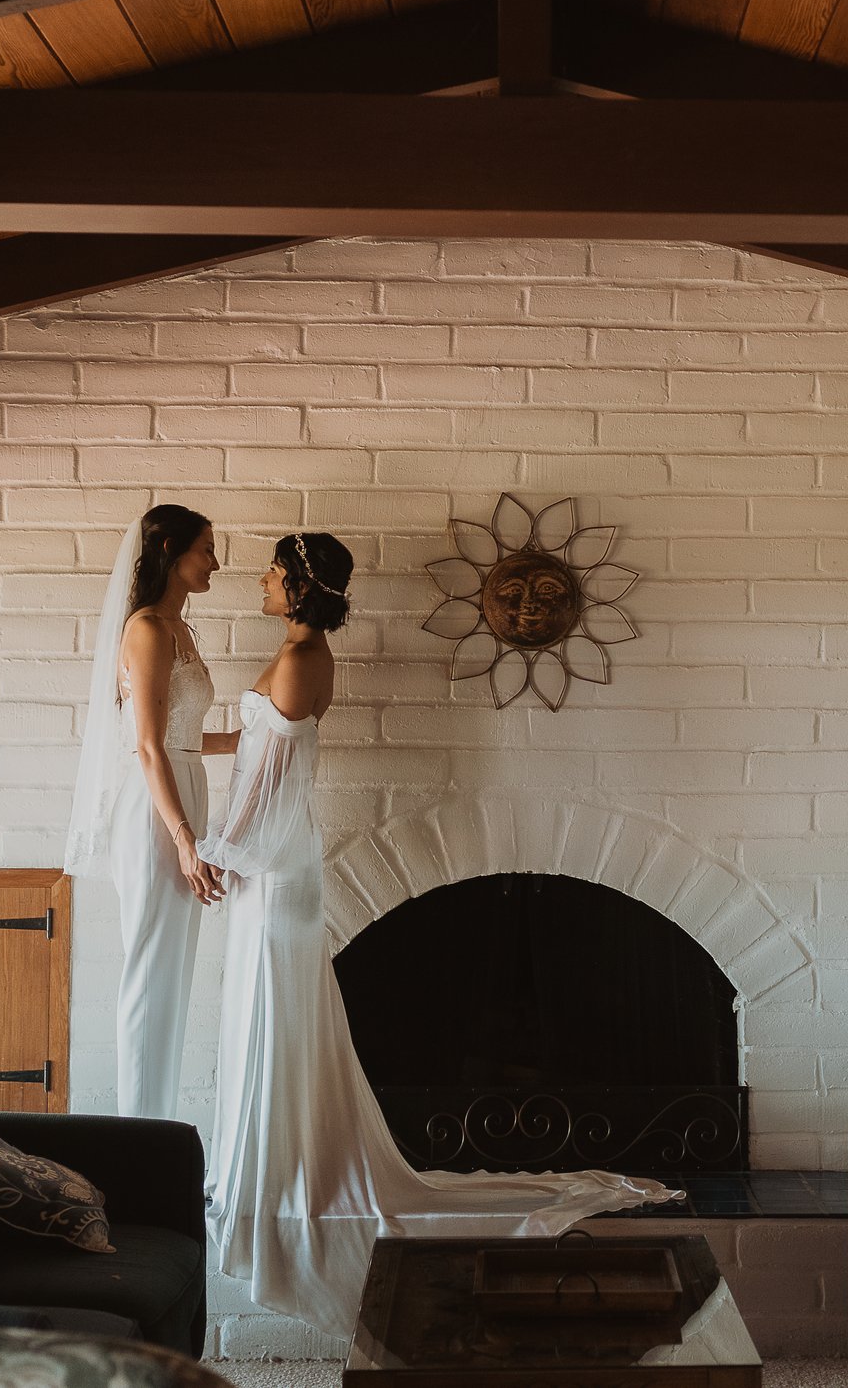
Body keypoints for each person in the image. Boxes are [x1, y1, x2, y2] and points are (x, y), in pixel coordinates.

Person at [199, 531, 680, 1336]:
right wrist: (177, 746)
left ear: (297, 583)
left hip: (272, 872)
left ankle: (275, 1182)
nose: (260, 578)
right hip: (279, 868)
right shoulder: (303, 652)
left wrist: (212, 851)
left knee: (274, 1019)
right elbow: (254, 750)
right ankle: (271, 1171)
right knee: (275, 1022)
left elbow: (265, 790)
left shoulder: (296, 660)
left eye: (272, 571)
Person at [63, 504, 238, 1119]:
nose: (216, 561)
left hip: (184, 789)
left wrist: (252, 739)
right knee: (148, 968)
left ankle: (159, 1127)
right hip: (155, 810)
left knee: (173, 973)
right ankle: (138, 1134)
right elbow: (146, 745)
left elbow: (183, 735)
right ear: (170, 550)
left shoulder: (181, 629)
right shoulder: (146, 629)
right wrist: (186, 838)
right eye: (207, 549)